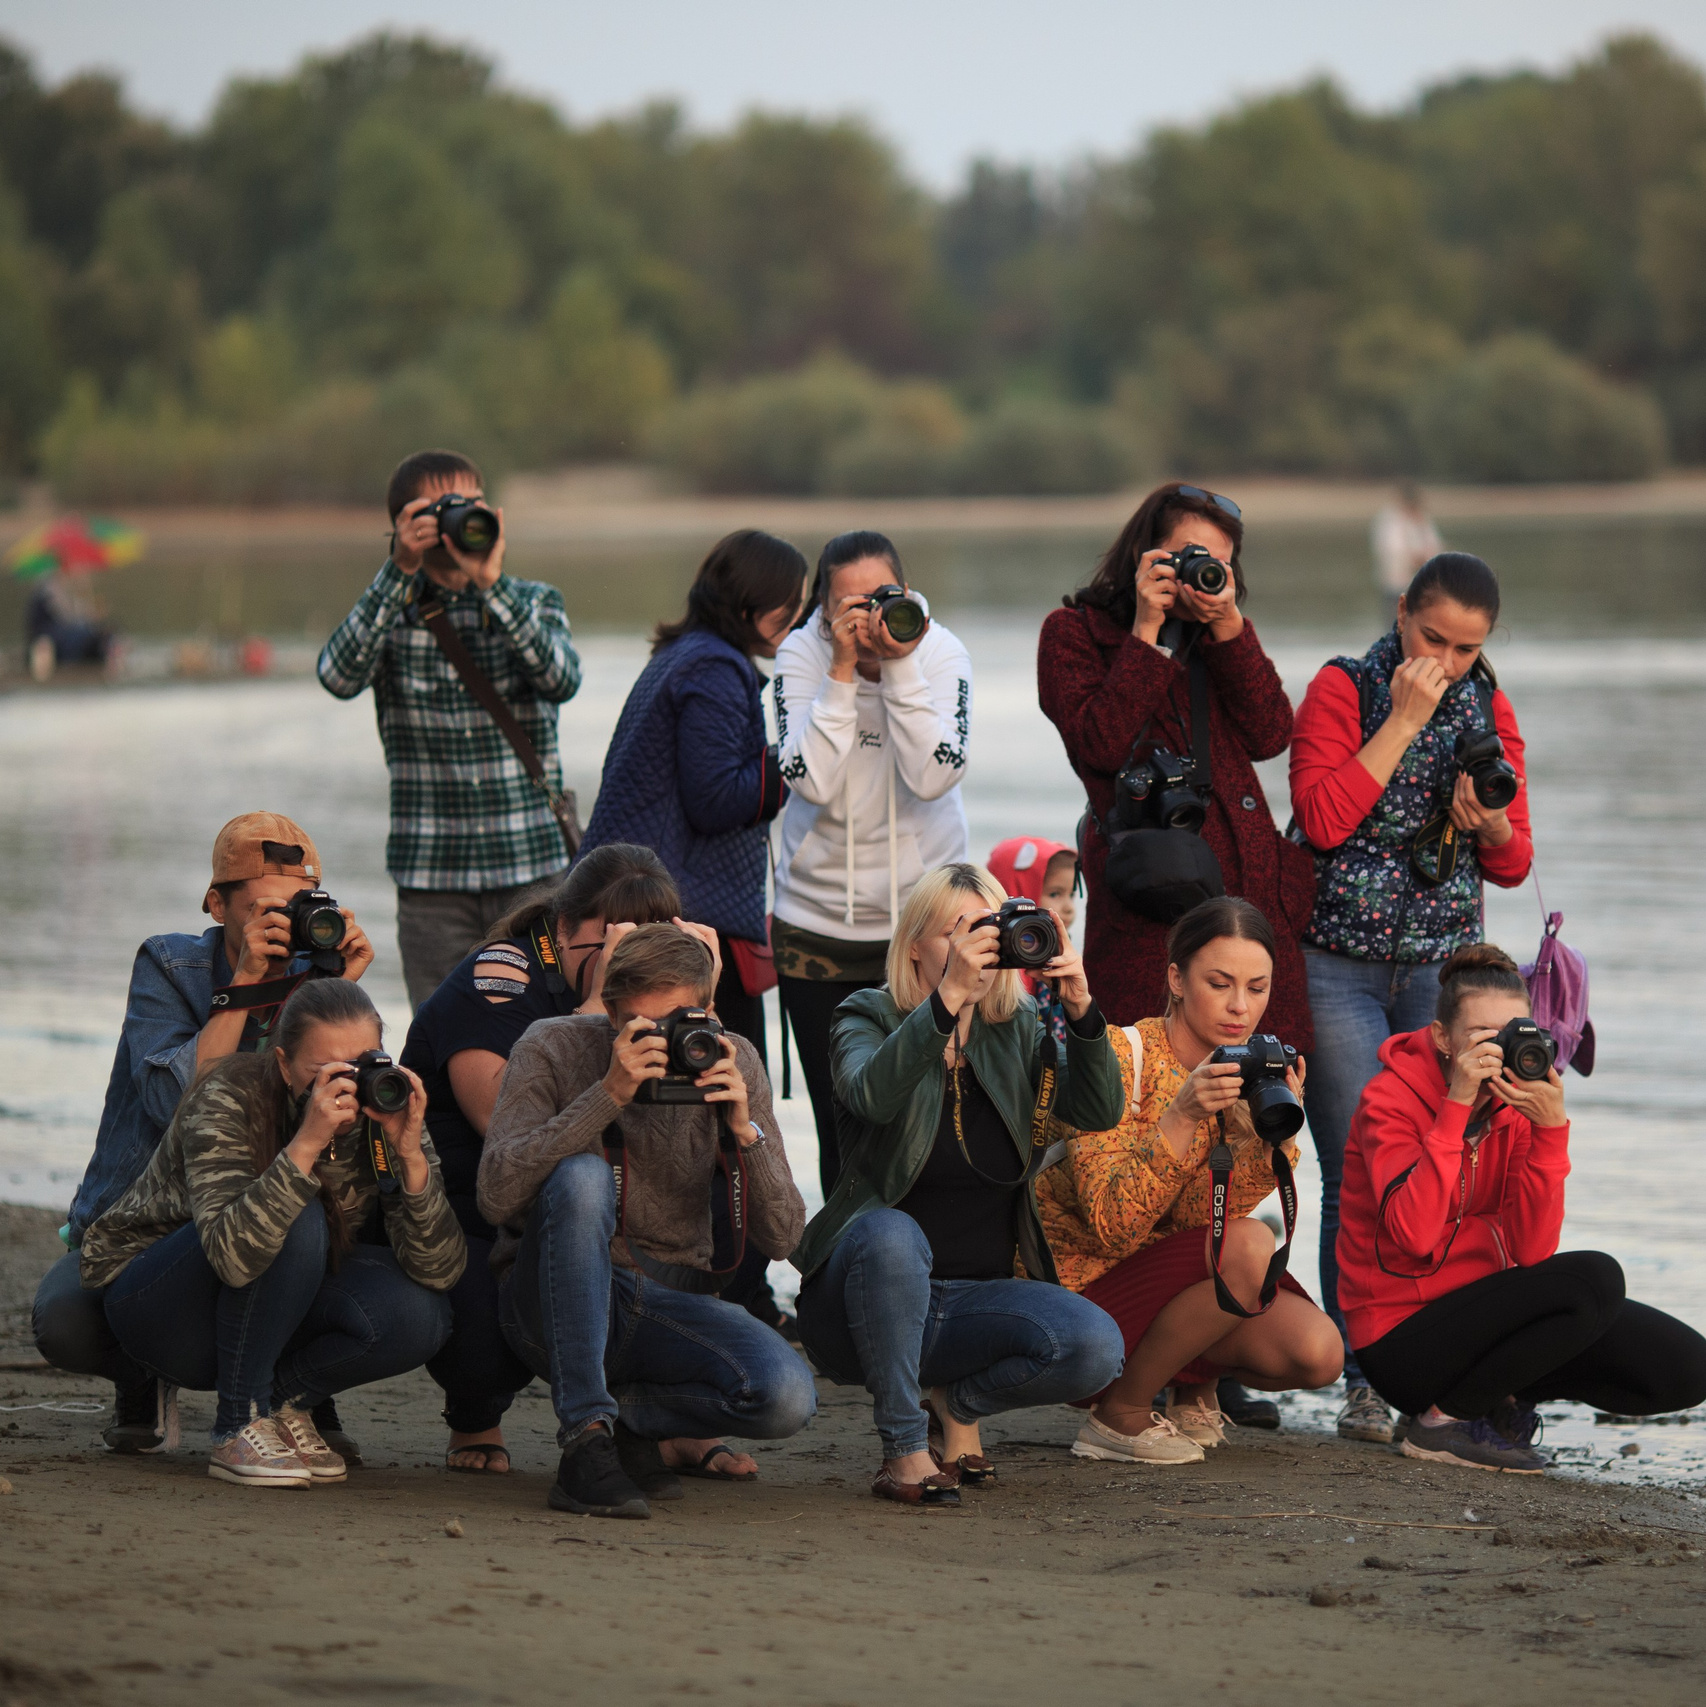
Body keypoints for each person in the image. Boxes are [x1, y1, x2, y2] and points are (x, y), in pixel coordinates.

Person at [32, 812, 376, 1459]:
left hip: (254, 1221)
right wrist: (245, 984)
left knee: (294, 1212)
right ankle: (143, 1371)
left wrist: (336, 992)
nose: (282, 926)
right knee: (64, 1319)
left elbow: (316, 1125)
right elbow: (174, 1102)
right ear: (217, 904)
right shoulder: (169, 963)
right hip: (152, 1227)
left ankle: (290, 1388)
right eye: (261, 909)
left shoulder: (316, 977)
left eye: (297, 907)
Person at [1290, 551, 1533, 1447]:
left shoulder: (1491, 703)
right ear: (1401, 614)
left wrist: (1493, 823)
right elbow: (1319, 819)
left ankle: (1443, 1371)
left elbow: (1513, 862)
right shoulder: (1342, 689)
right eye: (1435, 637)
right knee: (1360, 1168)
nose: (1451, 660)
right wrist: (1401, 721)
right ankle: (1365, 1375)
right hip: (1335, 964)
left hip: (1442, 981)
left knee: (1454, 1169)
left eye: (1469, 647)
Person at [793, 863, 1127, 1506]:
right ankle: (904, 1447)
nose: (978, 944)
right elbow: (871, 1096)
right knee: (892, 1234)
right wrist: (945, 1002)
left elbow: (1099, 1112)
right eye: (959, 930)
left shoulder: (1020, 1028)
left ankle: (957, 1402)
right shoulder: (863, 1016)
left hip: (969, 1307)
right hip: (860, 1303)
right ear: (915, 943)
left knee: (1095, 1347)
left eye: (989, 928)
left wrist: (1082, 1011)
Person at [400, 842, 731, 1474]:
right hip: (474, 1214)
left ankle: (665, 1419)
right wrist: (598, 1007)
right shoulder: (498, 978)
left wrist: (700, 999)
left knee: (713, 1205)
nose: (628, 957)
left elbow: (689, 1141)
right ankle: (476, 1416)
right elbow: (503, 1128)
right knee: (483, 1340)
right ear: (559, 930)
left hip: (600, 1208)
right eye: (609, 942)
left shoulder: (663, 991)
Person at [479, 925, 815, 1519]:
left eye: (681, 1019)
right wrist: (608, 1093)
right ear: (610, 1014)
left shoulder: (731, 1058)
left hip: (664, 1302)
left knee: (784, 1398)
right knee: (582, 1177)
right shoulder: (552, 1045)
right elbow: (496, 1196)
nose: (665, 1040)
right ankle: (586, 1439)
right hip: (552, 1303)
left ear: (709, 1007)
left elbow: (786, 1238)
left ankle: (631, 1420)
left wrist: (744, 1132)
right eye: (642, 1025)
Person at [77, 979, 465, 1487]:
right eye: (328, 1071)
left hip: (270, 1300)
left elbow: (440, 1270)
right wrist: (306, 1144)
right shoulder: (228, 1092)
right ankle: (239, 1421)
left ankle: (283, 1405)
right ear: (283, 1065)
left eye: (365, 1062)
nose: (350, 1084)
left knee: (421, 1315)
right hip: (158, 1299)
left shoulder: (383, 1110)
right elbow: (232, 1258)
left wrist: (410, 1158)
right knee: (296, 1212)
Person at [1337, 944, 1706, 1472]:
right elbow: (1413, 1237)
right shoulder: (1388, 1100)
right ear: (1444, 1039)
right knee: (1596, 1277)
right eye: (1482, 1036)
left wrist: (1550, 1132)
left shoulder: (1514, 1107)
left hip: (1481, 1326)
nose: (1499, 1050)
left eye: (1512, 1033)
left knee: (1687, 1367)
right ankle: (1443, 1423)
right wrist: (1455, 1108)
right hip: (1401, 1341)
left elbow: (1532, 1250)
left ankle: (1498, 1402)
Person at [1039, 898, 1342, 1465]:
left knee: (1320, 1353)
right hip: (1079, 1305)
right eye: (1219, 983)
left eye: (1257, 987)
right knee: (1250, 1241)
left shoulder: (1250, 1072)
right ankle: (1120, 1416)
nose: (1239, 1007)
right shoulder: (1112, 1056)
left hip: (1165, 1300)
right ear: (1176, 978)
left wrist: (1265, 1144)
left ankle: (1188, 1391)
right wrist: (1180, 1117)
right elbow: (1113, 1226)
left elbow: (1201, 1222)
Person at [1037, 481, 1316, 1049]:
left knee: (1257, 1115)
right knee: (1148, 1106)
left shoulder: (1219, 638)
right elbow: (1100, 747)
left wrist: (1230, 628)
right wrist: (1146, 633)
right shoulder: (1074, 636)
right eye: (1189, 557)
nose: (1202, 574)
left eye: (1219, 564)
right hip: (1152, 913)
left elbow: (1270, 734)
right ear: (1145, 555)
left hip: (1252, 911)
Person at [317, 449, 582, 1009]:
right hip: (432, 878)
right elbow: (337, 676)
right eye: (438, 511)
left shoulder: (533, 601)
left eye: (469, 506)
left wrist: (491, 582)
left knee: (549, 1026)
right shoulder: (393, 613)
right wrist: (400, 569)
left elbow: (562, 679)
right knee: (444, 1032)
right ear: (403, 525)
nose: (457, 520)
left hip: (531, 867)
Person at [773, 531, 973, 1199]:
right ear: (822, 609)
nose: (867, 617)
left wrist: (899, 669)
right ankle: (836, 1281)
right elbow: (812, 781)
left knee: (930, 1116)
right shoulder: (799, 655)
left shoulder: (941, 652)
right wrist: (838, 671)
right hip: (817, 926)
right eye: (847, 604)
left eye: (882, 598)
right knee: (842, 1124)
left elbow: (933, 775)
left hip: (924, 927)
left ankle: (930, 1275)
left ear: (908, 593)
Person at [580, 528, 805, 1059]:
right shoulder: (716, 666)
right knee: (722, 1080)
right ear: (749, 601)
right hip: (682, 921)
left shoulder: (686, 653)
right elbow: (719, 798)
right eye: (788, 601)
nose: (796, 616)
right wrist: (796, 757)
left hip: (646, 905)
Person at [986, 837, 1078, 1052]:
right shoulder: (992, 964)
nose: (1069, 908)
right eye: (1055, 894)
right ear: (1019, 893)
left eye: (1072, 895)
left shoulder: (1062, 952)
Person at [1371, 482, 1443, 601]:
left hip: (1423, 585)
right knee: (1396, 616)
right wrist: (1418, 558)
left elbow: (1435, 546)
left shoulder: (1422, 520)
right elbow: (1393, 551)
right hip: (1397, 584)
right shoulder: (1390, 520)